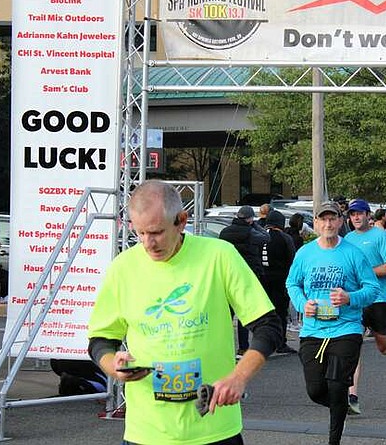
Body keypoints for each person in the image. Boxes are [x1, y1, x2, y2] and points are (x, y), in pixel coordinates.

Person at [88, 180, 282, 445]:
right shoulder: (123, 268)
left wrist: (239, 377)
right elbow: (100, 340)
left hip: (214, 429)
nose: (148, 243)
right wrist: (113, 366)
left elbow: (268, 327)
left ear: (181, 220)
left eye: (156, 232)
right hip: (147, 433)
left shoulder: (219, 256)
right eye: (140, 233)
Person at [285, 202, 380, 445]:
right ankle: (339, 405)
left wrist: (350, 298)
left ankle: (333, 439)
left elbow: (372, 288)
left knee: (338, 386)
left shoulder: (353, 253)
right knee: (316, 390)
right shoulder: (305, 253)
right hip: (313, 330)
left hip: (346, 329)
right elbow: (292, 284)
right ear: (315, 223)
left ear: (340, 222)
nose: (328, 224)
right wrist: (302, 303)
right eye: (323, 220)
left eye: (332, 219)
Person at [344, 198, 386, 416]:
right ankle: (352, 397)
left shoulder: (379, 235)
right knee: (353, 345)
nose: (356, 217)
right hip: (355, 300)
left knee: (382, 347)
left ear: (367, 215)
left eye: (359, 213)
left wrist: (366, 273)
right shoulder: (347, 239)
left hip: (378, 298)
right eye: (352, 214)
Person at [219, 205, 270, 357]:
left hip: (227, 275)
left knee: (226, 314)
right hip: (247, 275)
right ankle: (243, 347)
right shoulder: (250, 232)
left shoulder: (225, 232)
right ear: (249, 219)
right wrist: (255, 224)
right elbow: (267, 238)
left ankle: (223, 347)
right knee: (242, 314)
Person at [261, 210, 297, 354]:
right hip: (280, 280)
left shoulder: (258, 235)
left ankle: (265, 343)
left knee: (265, 314)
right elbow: (292, 260)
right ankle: (280, 343)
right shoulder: (284, 238)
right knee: (281, 312)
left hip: (262, 280)